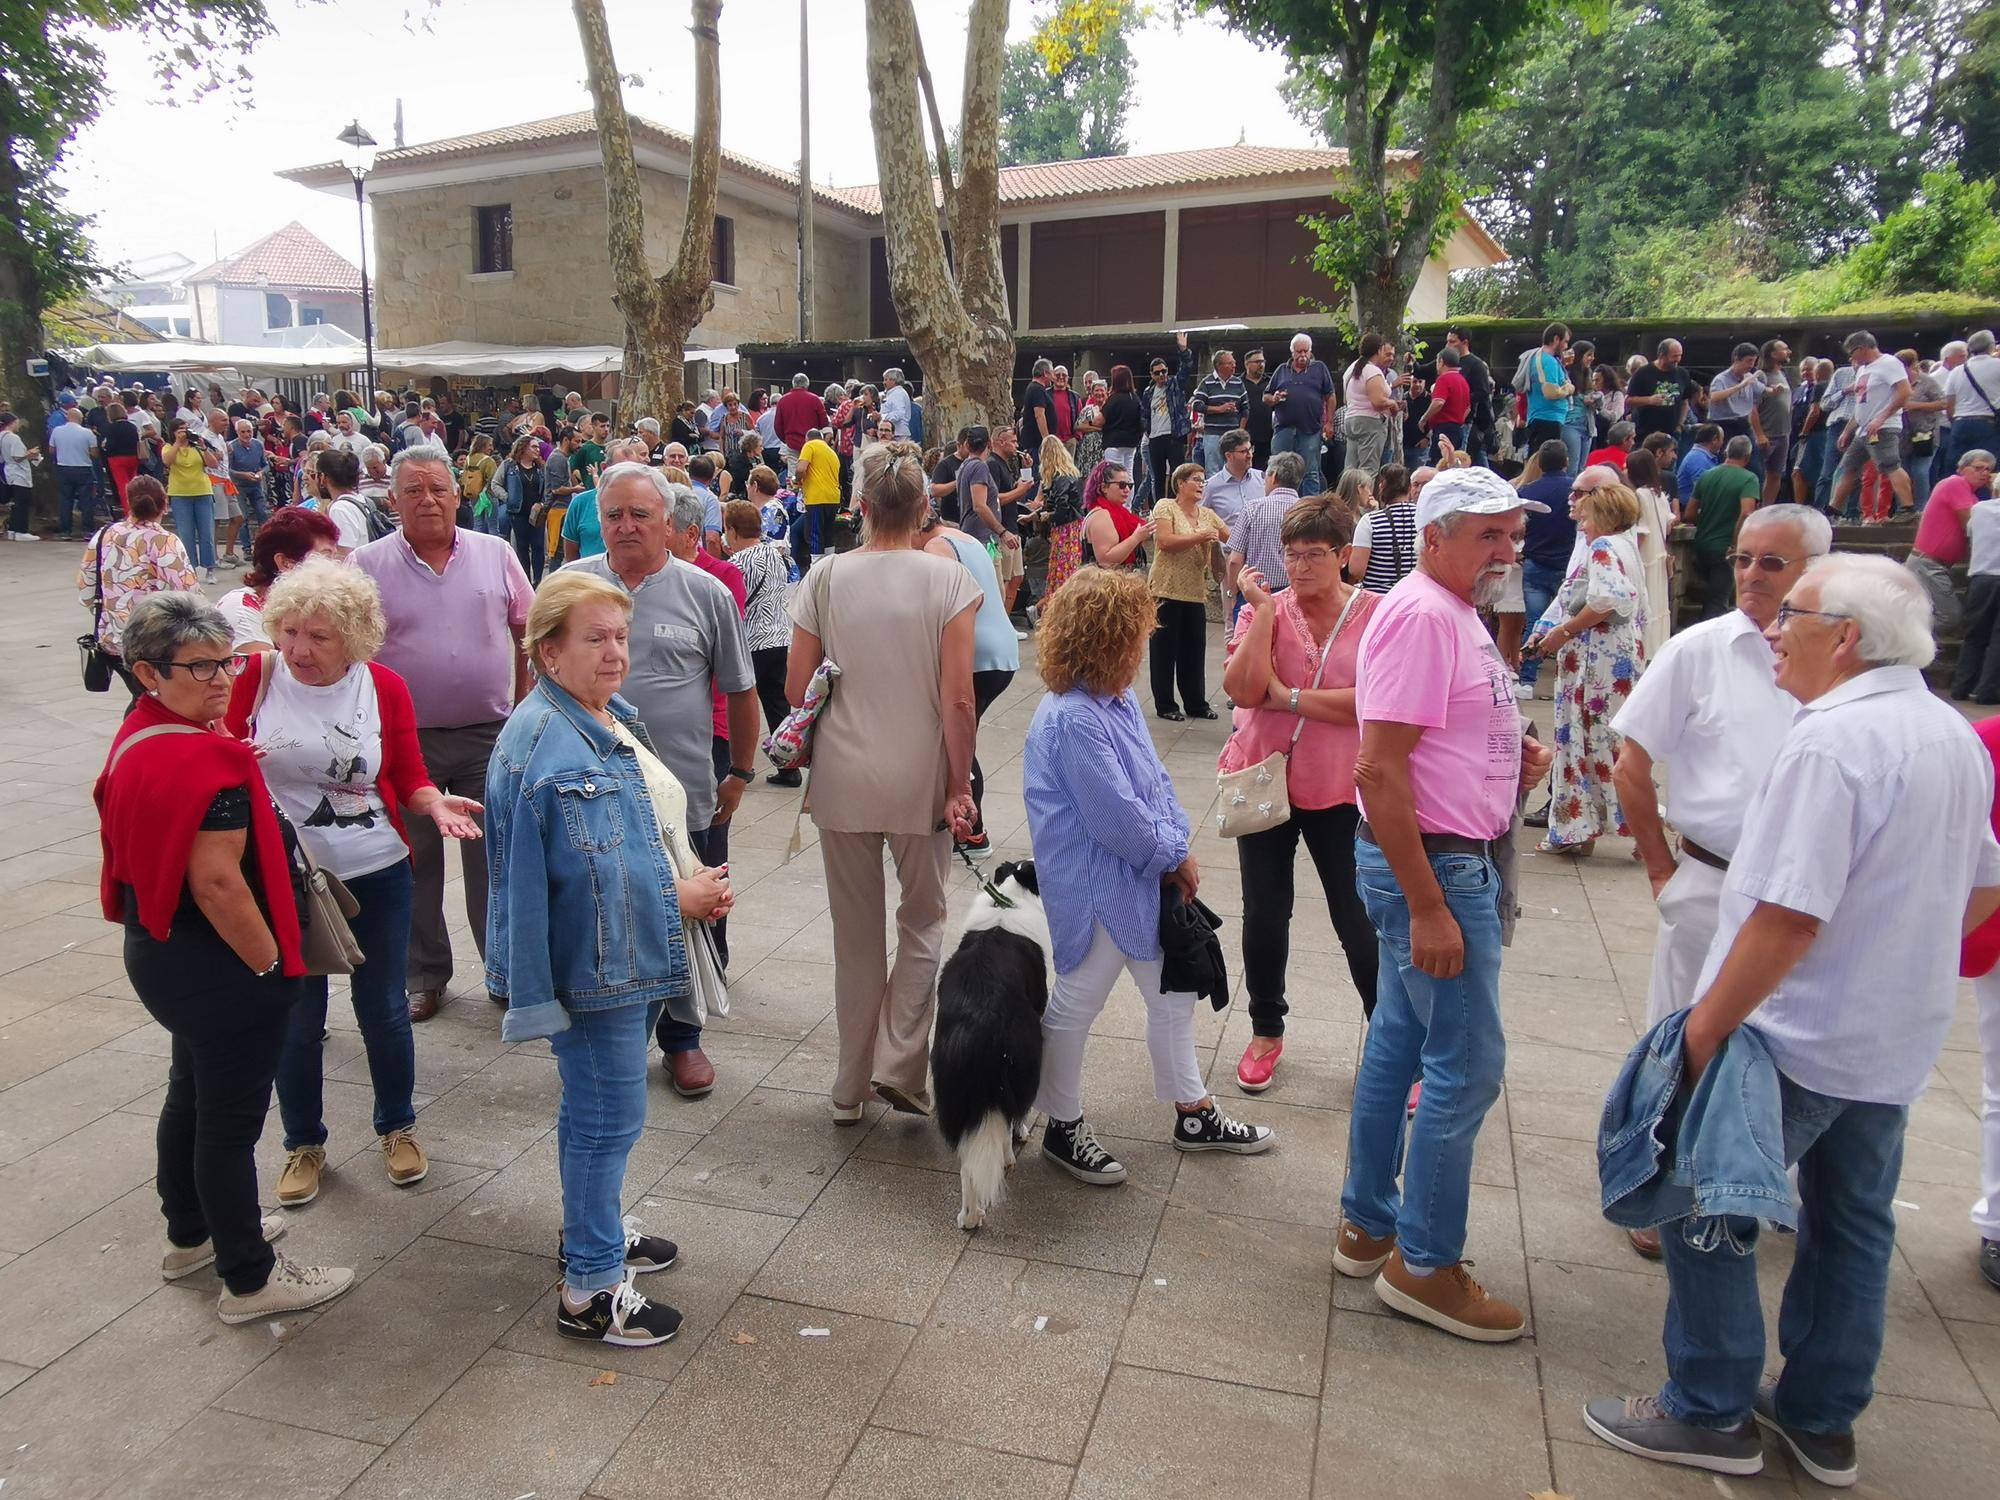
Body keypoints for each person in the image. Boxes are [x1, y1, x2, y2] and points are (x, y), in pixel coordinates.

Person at [1582, 555, 2000, 1489]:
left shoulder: (1832, 743)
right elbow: (1982, 886)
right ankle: (1820, 1418)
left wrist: (1702, 1032)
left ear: (1846, 638)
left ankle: (1709, 1407)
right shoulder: (1946, 730)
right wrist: (1896, 954)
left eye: (1795, 616)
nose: (1774, 630)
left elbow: (1786, 917)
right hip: (1890, 1034)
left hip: (1794, 1033)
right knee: (1852, 1225)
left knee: (1699, 1201)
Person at [1332, 465, 1552, 1343]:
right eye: (1488, 533)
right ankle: (1423, 1264)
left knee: (1401, 1038)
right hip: (1434, 868)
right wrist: (1428, 904)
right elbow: (1377, 768)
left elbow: (1442, 736)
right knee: (1466, 1066)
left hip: (1447, 857)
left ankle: (1368, 1223)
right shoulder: (1426, 613)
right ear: (1433, 537)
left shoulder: (1451, 611)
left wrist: (1513, 760)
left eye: (1512, 531)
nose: (1508, 547)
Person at [95, 592, 354, 1324]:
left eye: (227, 661)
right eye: (200, 667)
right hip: (221, 968)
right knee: (229, 1126)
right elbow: (216, 882)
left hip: (163, 955)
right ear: (147, 672)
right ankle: (250, 1278)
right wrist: (272, 966)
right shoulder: (202, 760)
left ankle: (191, 1237)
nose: (221, 679)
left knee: (192, 1098)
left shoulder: (141, 736)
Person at [486, 569, 728, 1349]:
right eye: (596, 639)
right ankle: (589, 1289)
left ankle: (589, 1234)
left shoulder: (588, 716)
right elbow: (590, 889)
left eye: (621, 636)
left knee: (590, 1115)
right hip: (599, 969)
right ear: (547, 652)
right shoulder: (557, 746)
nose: (616, 652)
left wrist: (679, 879)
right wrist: (680, 900)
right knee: (605, 1120)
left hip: (610, 962)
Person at [221, 559, 481, 1207]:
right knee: (299, 1018)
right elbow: (210, 749)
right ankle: (303, 1143)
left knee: (384, 1010)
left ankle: (398, 1127)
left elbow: (407, 774)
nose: (299, 649)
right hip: (287, 878)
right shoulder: (254, 677)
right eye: (290, 631)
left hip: (377, 870)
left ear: (353, 638)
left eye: (319, 636)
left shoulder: (383, 686)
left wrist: (433, 803)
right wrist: (228, 759)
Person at [1026, 564, 1273, 1188]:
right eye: (1136, 634)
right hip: (1098, 887)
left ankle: (1191, 1111)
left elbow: (1153, 783)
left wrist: (1172, 850)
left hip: (1132, 879)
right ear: (1108, 639)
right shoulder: (1075, 717)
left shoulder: (1113, 698)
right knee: (1079, 1001)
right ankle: (1061, 1123)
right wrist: (1174, 855)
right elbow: (1117, 819)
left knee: (1170, 994)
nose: (1145, 644)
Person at [786, 441, 980, 1120]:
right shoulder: (949, 581)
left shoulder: (826, 577)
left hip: (840, 775)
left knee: (855, 937)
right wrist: (962, 786)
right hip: (919, 775)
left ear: (859, 507)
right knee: (924, 920)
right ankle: (899, 1061)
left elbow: (795, 686)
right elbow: (959, 699)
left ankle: (847, 1088)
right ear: (926, 507)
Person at [566, 466, 757, 1097]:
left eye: (640, 515)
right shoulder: (569, 587)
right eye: (614, 514)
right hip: (593, 795)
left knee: (694, 915)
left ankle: (683, 1038)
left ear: (668, 521)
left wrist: (740, 771)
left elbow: (740, 688)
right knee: (603, 910)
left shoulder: (706, 593)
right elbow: (536, 681)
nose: (626, 527)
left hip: (687, 794)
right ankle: (609, 1034)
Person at [351, 444, 532, 1024]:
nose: (427, 500)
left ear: (459, 495)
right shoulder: (366, 565)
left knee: (496, 863)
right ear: (393, 499)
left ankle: (502, 974)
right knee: (413, 864)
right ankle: (423, 977)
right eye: (414, 491)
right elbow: (351, 652)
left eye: (438, 489)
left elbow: (527, 628)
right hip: (406, 745)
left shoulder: (495, 552)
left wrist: (525, 706)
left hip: (489, 737)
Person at [1221, 496, 1382, 1091]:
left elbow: (1372, 703)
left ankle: (1387, 1033)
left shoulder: (1376, 614)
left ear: (1344, 556)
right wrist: (1262, 612)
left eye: (1315, 555)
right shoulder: (1268, 608)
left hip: (1341, 787)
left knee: (1357, 914)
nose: (1301, 567)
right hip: (1265, 779)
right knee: (1265, 910)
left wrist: (1285, 697)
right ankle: (1266, 1029)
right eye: (1292, 555)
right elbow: (1241, 690)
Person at [1523, 476, 1647, 856]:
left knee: (1581, 739)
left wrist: (1562, 631)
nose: (1578, 516)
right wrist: (1546, 629)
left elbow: (1606, 599)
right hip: (1615, 659)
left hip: (1596, 662)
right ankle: (1620, 825)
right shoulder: (1623, 545)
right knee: (1609, 742)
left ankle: (1579, 827)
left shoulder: (1604, 546)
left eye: (1584, 507)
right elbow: (1574, 594)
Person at [78, 476, 200, 698]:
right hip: (152, 643)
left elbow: (86, 590)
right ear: (165, 503)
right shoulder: (164, 542)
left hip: (113, 640)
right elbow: (189, 598)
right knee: (152, 704)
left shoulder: (104, 534)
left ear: (128, 502)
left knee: (143, 699)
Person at [720, 492, 796, 786]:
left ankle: (739, 766)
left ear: (733, 530)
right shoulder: (777, 556)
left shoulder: (736, 564)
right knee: (777, 705)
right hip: (778, 637)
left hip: (750, 642)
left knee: (740, 706)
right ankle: (788, 766)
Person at [1148, 463, 1228, 721]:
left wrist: (1219, 541)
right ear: (1181, 483)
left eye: (1203, 480)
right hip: (1166, 589)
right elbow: (1165, 541)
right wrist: (1201, 536)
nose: (1201, 484)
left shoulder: (1208, 514)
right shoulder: (1165, 506)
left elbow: (1231, 537)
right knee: (1164, 650)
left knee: (1194, 650)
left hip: (1195, 590)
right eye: (1196, 479)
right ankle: (1166, 704)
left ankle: (1196, 703)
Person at [216, 505, 341, 650]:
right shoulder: (242, 609)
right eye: (325, 556)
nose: (335, 566)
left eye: (335, 557)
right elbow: (265, 671)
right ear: (285, 563)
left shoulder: (315, 607)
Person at [1828, 330, 1913, 521]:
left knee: (1890, 464)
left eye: (1852, 352)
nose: (1851, 358)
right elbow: (1862, 404)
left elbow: (1905, 392)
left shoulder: (1889, 363)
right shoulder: (1864, 370)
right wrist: (1847, 431)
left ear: (1862, 348)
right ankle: (1833, 510)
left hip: (1883, 426)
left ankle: (1908, 508)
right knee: (1848, 467)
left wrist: (1882, 417)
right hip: (1863, 428)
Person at [1514, 439, 1575, 693]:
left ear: (1538, 463)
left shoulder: (1526, 492)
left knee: (1535, 622)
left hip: (1536, 562)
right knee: (1572, 624)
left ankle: (1528, 679)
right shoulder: (1576, 490)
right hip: (1569, 564)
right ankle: (1569, 677)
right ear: (1566, 461)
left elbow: (1517, 528)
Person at [1687, 435, 1762, 621]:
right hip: (1726, 549)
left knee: (1711, 598)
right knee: (1717, 604)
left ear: (1726, 452)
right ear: (1747, 457)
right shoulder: (1749, 479)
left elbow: (1689, 513)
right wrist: (1737, 545)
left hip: (1702, 546)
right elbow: (1746, 513)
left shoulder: (1707, 475)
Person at [1268, 333, 1338, 494]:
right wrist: (1274, 398)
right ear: (1292, 353)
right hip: (1284, 428)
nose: (1303, 355)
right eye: (1299, 351)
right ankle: (1278, 501)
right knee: (1278, 469)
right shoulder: (1281, 370)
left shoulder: (1319, 368)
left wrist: (1329, 422)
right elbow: (1266, 396)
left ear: (1310, 351)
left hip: (1310, 429)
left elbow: (1330, 396)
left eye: (1306, 351)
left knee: (1310, 471)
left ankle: (1310, 509)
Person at [1624, 446, 1676, 661]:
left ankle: (1643, 652)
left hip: (1645, 559)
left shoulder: (1639, 496)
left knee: (1645, 608)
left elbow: (1641, 534)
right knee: (1658, 606)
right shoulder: (1660, 494)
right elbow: (1670, 524)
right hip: (1659, 557)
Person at [163, 417, 218, 582]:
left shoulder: (196, 446)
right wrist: (178, 443)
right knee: (186, 534)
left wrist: (203, 447)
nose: (185, 432)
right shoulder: (168, 447)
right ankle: (190, 569)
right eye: (181, 429)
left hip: (202, 492)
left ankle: (210, 569)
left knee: (206, 532)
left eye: (186, 429)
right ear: (173, 432)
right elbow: (167, 461)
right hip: (181, 494)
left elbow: (213, 464)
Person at [1349, 465, 1418, 594]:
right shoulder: (1425, 519)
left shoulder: (1370, 521)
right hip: (1414, 598)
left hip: (1378, 598)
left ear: (1381, 487)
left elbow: (1356, 570)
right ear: (1409, 488)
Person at [1340, 334, 1401, 478]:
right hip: (1370, 423)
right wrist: (1392, 403)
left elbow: (1345, 399)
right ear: (1379, 350)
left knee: (1350, 469)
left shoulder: (1351, 370)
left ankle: (1348, 498)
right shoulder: (1372, 371)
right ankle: (1364, 499)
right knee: (1368, 469)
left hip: (1351, 420)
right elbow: (1378, 402)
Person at [1078, 459, 1154, 572]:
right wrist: (1136, 537)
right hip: (1103, 584)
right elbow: (1106, 561)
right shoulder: (1101, 515)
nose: (1127, 490)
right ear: (1104, 487)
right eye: (1122, 485)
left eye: (1130, 485)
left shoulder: (1117, 512)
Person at [1900, 347, 1950, 515]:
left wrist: (1916, 406)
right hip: (1903, 435)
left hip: (1925, 434)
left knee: (1920, 471)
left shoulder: (1927, 381)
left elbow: (1943, 403)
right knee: (1904, 472)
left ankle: (1922, 511)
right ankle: (1905, 509)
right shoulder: (1896, 383)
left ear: (1911, 366)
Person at [1038, 434, 1088, 599]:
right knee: (1069, 567)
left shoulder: (1060, 478)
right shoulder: (1070, 474)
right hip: (1074, 526)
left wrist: (1046, 516)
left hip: (1065, 529)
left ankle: (1056, 603)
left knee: (1062, 568)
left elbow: (1062, 510)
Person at [1944, 329, 2000, 471]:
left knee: (1958, 467)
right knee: (1988, 467)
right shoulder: (1997, 365)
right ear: (1991, 346)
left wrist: (1955, 421)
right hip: (1987, 423)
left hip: (1960, 423)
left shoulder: (1957, 371)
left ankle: (1959, 492)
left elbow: (1949, 403)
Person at [48, 401, 100, 543]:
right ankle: (88, 530)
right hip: (83, 468)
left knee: (66, 499)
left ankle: (65, 531)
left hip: (63, 467)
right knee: (86, 500)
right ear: (81, 418)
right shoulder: (87, 433)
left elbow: (51, 450)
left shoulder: (57, 431)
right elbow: (95, 453)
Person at [1523, 323, 1575, 456]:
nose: (1566, 347)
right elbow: (1550, 392)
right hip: (1548, 420)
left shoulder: (1541, 358)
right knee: (1544, 463)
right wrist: (1568, 389)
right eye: (1565, 342)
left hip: (1543, 418)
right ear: (1556, 339)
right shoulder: (1549, 361)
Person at [1195, 349, 1247, 474]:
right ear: (1219, 365)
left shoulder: (1238, 383)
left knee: (1234, 469)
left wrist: (1240, 430)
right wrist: (1219, 409)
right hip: (1213, 434)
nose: (1234, 365)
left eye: (1234, 362)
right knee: (1213, 470)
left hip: (1232, 435)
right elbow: (1197, 405)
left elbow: (1245, 408)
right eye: (1230, 363)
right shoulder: (1207, 383)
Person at [1419, 345, 1473, 460]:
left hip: (1443, 428)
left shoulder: (1444, 379)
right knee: (1452, 463)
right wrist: (1458, 420)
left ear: (1441, 362)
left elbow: (1438, 402)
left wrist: (1424, 419)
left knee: (1438, 464)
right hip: (1458, 428)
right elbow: (1468, 408)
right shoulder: (1463, 381)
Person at [796, 426, 841, 555]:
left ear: (807, 439)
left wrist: (797, 481)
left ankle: (816, 568)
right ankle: (829, 566)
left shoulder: (809, 446)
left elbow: (800, 469)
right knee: (828, 536)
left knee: (814, 535)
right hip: (833, 498)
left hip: (816, 498)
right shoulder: (831, 452)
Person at [1100, 363, 1145, 482]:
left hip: (1114, 442)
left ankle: (1117, 500)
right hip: (1131, 442)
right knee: (1128, 475)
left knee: (1115, 475)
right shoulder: (1135, 398)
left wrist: (1089, 422)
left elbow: (1100, 420)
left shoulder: (1114, 399)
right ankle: (1128, 500)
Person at [775, 373, 828, 468]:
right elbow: (824, 422)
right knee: (812, 471)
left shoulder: (783, 401)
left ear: (793, 384)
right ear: (807, 384)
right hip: (812, 442)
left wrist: (786, 439)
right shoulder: (815, 399)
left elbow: (778, 425)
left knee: (793, 473)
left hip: (792, 442)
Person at [1, 410, 39, 541]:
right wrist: (31, 453)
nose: (18, 425)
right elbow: (17, 457)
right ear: (12, 423)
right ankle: (21, 530)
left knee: (16, 503)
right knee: (22, 502)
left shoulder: (2, 437)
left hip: (9, 472)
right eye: (17, 422)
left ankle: (13, 529)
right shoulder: (13, 437)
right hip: (19, 473)